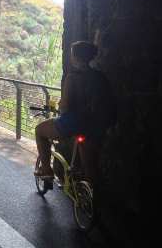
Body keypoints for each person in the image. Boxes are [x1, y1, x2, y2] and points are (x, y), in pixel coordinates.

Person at [34, 41, 116, 181]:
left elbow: (65, 105)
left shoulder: (72, 77)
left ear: (76, 57)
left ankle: (47, 170)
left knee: (40, 130)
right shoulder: (100, 77)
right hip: (96, 124)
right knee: (90, 165)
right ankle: (92, 194)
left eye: (72, 55)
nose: (71, 57)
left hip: (74, 122)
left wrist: (60, 107)